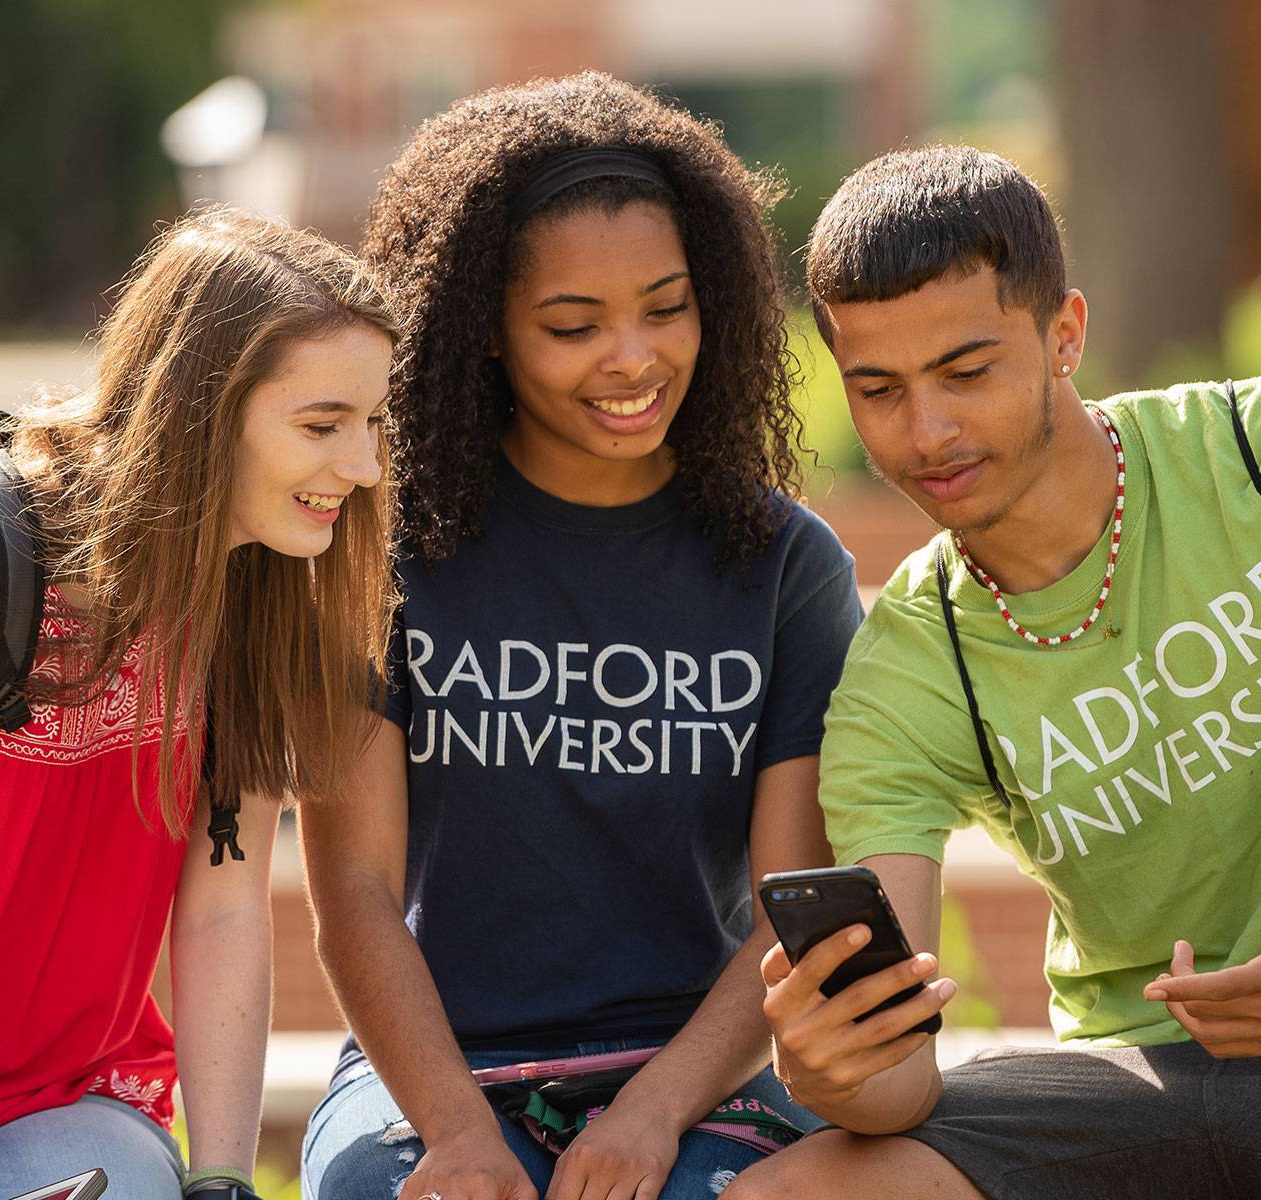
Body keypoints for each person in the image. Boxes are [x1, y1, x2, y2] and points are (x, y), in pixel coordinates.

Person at [722, 145, 1261, 1200]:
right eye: (878, 390)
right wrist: (831, 1065)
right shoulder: (905, 669)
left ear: (1065, 335)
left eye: (967, 374)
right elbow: (899, 1088)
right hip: (1123, 1075)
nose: (927, 434)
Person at [299, 72, 864, 1200]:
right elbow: (353, 894)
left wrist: (654, 1115)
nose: (633, 359)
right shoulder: (380, 551)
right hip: (436, 1069)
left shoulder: (786, 569)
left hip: (700, 1068)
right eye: (572, 325)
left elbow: (791, 907)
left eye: (667, 307)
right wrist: (458, 1136)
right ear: (484, 334)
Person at [0, 207, 401, 1200]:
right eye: (323, 426)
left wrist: (225, 1178)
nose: (362, 470)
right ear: (196, 407)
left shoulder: (261, 594)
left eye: (374, 424)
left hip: (55, 1108)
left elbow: (227, 903)